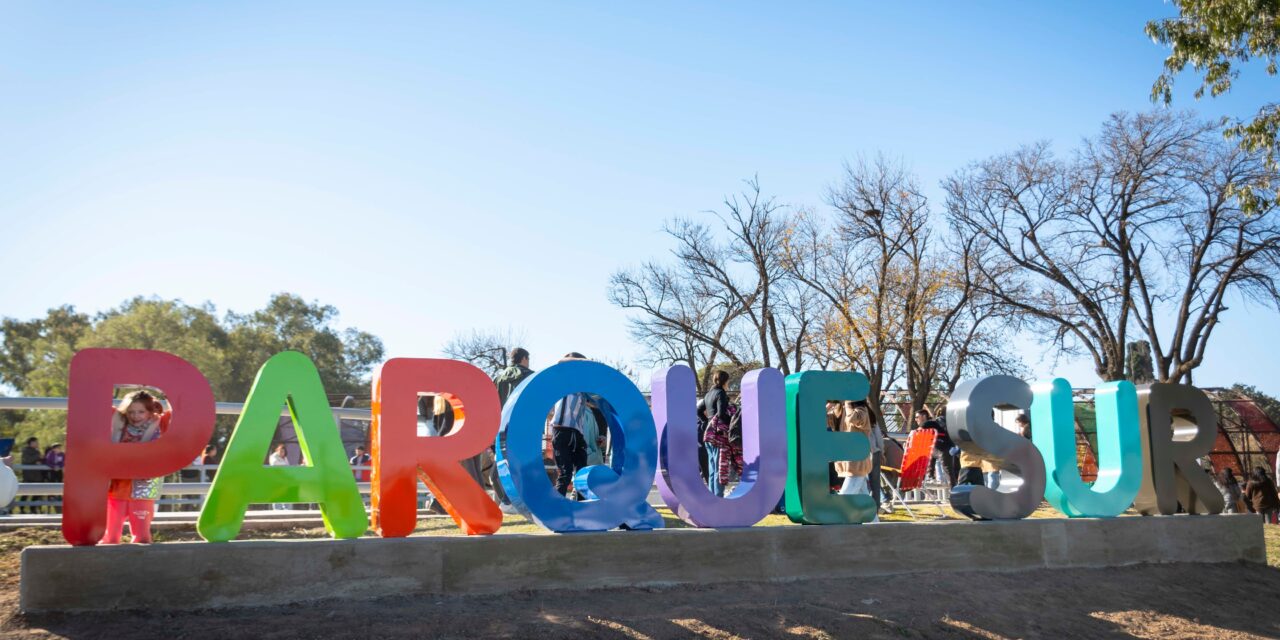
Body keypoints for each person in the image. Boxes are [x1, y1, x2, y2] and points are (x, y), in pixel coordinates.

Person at [102, 390, 169, 544]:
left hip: (144, 485)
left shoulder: (159, 424)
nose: (135, 416)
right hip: (118, 485)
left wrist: (167, 396)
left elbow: (178, 415)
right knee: (111, 533)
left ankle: (142, 557)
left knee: (142, 534)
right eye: (131, 412)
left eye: (141, 412)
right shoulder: (119, 423)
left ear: (150, 412)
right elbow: (101, 405)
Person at [548, 352, 591, 498]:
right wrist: (583, 361)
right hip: (561, 430)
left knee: (582, 473)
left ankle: (582, 506)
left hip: (577, 433)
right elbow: (560, 361)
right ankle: (555, 509)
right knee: (565, 473)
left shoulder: (583, 388)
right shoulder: (563, 382)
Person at [832, 402, 878, 522]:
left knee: (844, 498)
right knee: (864, 499)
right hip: (847, 462)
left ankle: (833, 525)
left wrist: (847, 404)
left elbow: (855, 420)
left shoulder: (861, 411)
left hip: (857, 463)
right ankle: (876, 526)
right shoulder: (839, 410)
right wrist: (829, 405)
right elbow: (824, 420)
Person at [702, 370, 732, 498]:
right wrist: (732, 422)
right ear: (724, 380)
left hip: (708, 434)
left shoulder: (708, 394)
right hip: (718, 435)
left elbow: (699, 410)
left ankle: (713, 497)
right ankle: (718, 498)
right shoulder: (721, 393)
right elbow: (721, 414)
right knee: (720, 467)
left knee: (713, 468)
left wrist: (708, 422)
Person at [268, 443, 291, 511]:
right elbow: (274, 464)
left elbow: (288, 466)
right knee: (277, 494)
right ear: (277, 450)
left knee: (286, 494)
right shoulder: (273, 456)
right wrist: (285, 465)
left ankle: (286, 509)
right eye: (280, 451)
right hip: (276, 479)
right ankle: (277, 510)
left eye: (283, 451)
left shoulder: (285, 458)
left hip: (284, 479)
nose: (282, 453)